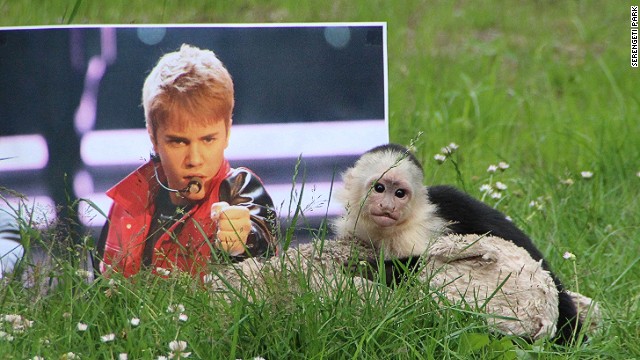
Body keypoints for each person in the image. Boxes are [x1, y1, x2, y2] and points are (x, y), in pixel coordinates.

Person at [95, 44, 278, 279]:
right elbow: (99, 293)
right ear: (154, 137)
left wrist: (245, 239)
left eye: (208, 139)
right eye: (178, 142)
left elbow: (262, 242)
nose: (195, 159)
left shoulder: (239, 189)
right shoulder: (127, 202)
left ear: (227, 133)